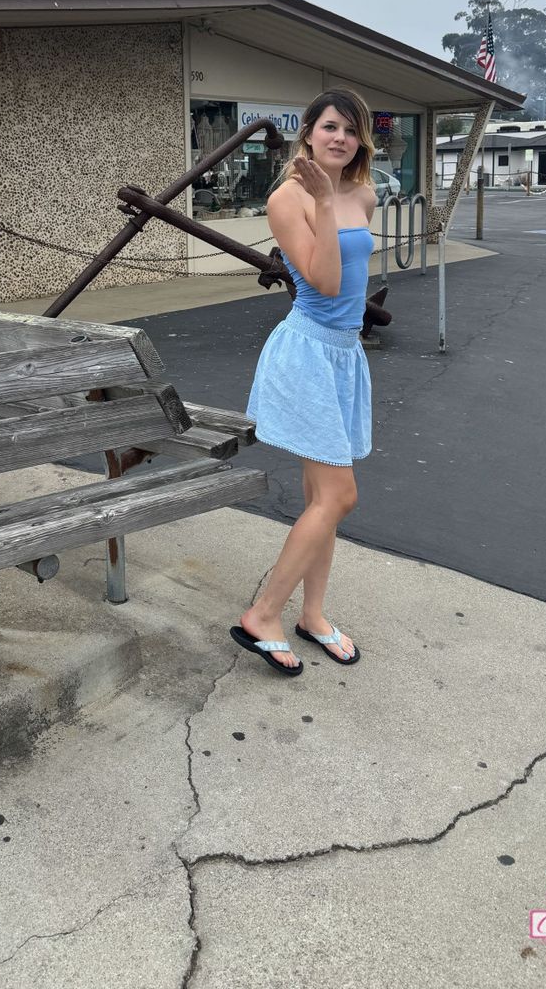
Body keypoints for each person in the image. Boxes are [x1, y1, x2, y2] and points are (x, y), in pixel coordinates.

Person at [231, 89, 376, 676]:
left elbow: (357, 278)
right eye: (331, 127)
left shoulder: (363, 193)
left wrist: (333, 200)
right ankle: (264, 613)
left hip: (345, 354)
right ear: (309, 132)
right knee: (340, 496)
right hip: (306, 353)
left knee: (324, 501)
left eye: (352, 130)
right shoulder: (288, 199)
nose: (341, 138)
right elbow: (326, 282)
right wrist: (321, 201)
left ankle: (312, 615)